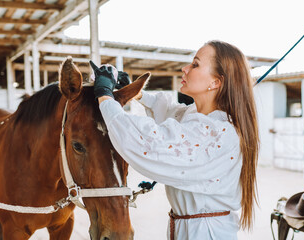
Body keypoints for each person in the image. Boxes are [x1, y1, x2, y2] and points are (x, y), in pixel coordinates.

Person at [90, 40, 259, 240]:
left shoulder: (218, 133)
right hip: (188, 226)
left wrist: (104, 95)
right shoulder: (194, 115)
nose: (185, 69)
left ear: (215, 82)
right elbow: (170, 110)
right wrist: (136, 93)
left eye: (195, 65)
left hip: (206, 233)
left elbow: (149, 140)